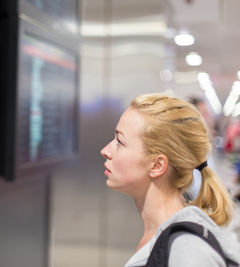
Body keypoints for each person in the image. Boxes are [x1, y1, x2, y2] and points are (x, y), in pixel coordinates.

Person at [100, 93, 240, 266]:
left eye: (120, 142)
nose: (105, 150)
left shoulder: (188, 251)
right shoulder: (163, 238)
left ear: (157, 165)